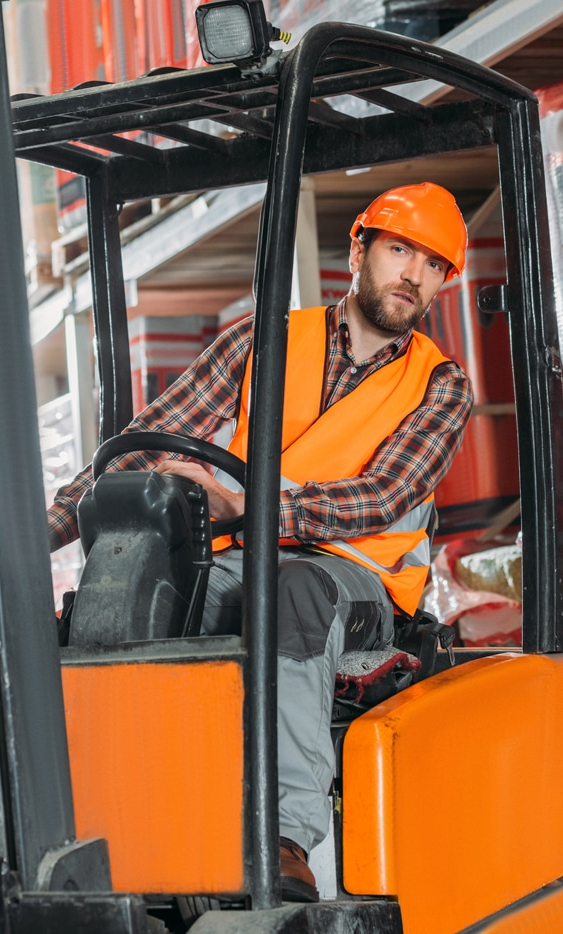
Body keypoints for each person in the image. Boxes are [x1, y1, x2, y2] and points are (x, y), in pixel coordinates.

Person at [47, 182, 473, 903]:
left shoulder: (440, 384)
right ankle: (107, 822)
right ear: (360, 250)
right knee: (129, 592)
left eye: (433, 265)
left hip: (355, 580)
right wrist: (50, 524)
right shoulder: (263, 341)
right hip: (246, 552)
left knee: (290, 590)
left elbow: (383, 497)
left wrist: (246, 507)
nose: (413, 275)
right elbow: (154, 432)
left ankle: (284, 842)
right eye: (400, 250)